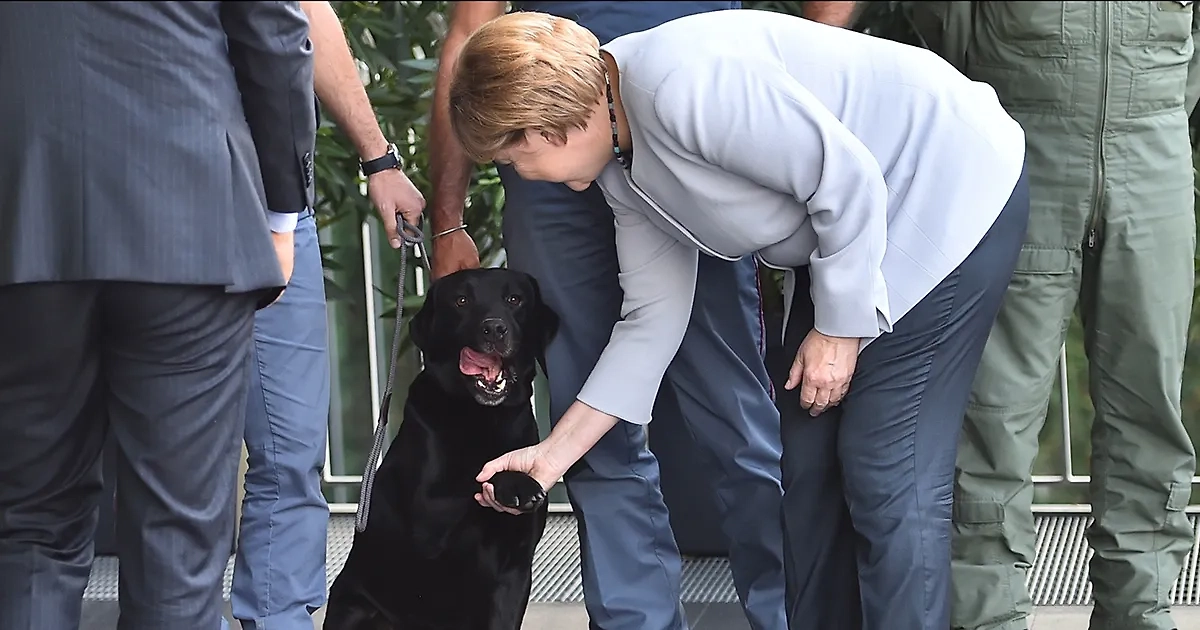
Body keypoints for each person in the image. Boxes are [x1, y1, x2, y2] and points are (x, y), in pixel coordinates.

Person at [451, 9, 1031, 630]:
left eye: (510, 152)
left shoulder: (678, 87)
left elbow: (849, 176)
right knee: (805, 470)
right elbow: (651, 324)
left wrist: (836, 330)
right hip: (849, 239)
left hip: (943, 192)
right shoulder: (622, 162)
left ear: (546, 125)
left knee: (883, 466)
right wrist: (549, 458)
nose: (513, 169)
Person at [428, 2, 791, 629]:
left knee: (736, 415)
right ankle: (635, 621)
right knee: (586, 417)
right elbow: (467, 35)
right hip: (539, 146)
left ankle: (797, 612)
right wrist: (449, 218)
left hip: (680, 125)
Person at [0, 2, 315, 629]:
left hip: (22, 212)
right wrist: (283, 211)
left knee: (29, 524)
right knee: (178, 539)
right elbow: (275, 33)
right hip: (187, 206)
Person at [901, 3, 1199, 630]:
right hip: (1023, 147)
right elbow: (943, 20)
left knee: (1149, 405)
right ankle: (986, 616)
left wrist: (1156, 104)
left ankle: (1139, 611)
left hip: (1155, 151)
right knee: (993, 411)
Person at [222, 2, 426, 628]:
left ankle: (279, 618)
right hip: (149, 195)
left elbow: (305, 14)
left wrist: (380, 158)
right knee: (166, 459)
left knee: (292, 447)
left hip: (273, 200)